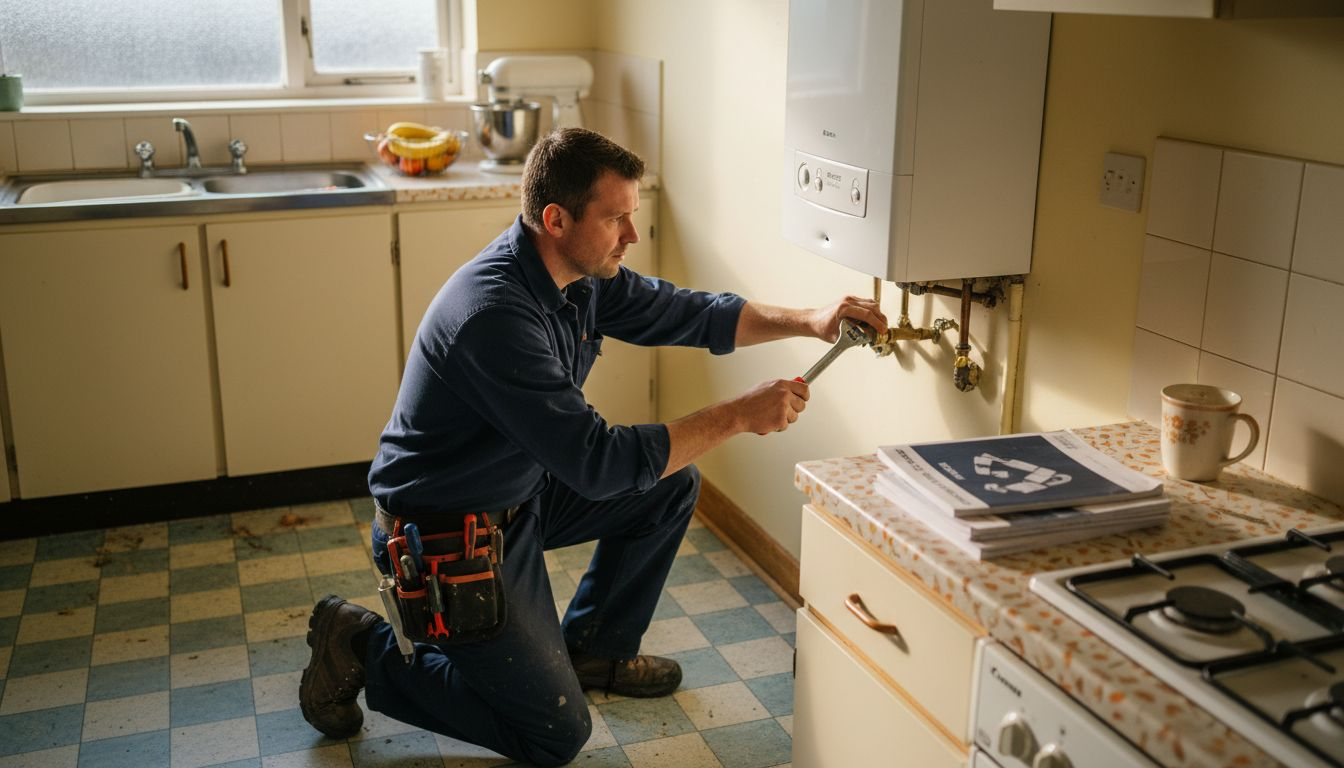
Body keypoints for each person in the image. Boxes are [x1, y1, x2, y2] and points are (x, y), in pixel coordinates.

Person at [299, 127, 888, 766]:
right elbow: (600, 465)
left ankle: (594, 651)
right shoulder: (495, 315)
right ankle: (360, 645)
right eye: (616, 220)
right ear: (556, 219)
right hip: (446, 534)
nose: (632, 235)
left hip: (518, 492)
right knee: (553, 735)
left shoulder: (575, 274)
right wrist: (738, 415)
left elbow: (689, 312)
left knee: (670, 484)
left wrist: (810, 320)